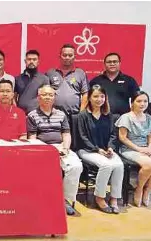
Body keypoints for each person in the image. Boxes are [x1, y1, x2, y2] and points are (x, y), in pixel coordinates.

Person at [27, 84, 83, 215]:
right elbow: (32, 138)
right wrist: (48, 152)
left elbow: (66, 134)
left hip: (61, 146)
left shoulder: (61, 114)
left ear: (54, 98)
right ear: (38, 97)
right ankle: (43, 199)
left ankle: (65, 200)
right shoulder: (32, 115)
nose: (47, 97)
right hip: (42, 149)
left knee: (76, 166)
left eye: (50, 95)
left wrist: (65, 148)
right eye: (44, 95)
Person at [77, 85, 124, 214]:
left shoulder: (108, 115)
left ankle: (114, 199)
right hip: (87, 150)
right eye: (96, 96)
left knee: (119, 165)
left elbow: (113, 135)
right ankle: (99, 197)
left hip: (105, 150)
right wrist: (98, 150)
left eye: (102, 96)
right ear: (90, 98)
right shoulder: (83, 116)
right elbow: (83, 137)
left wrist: (110, 148)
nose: (99, 99)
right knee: (106, 165)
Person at [116, 91, 151, 207]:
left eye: (145, 101)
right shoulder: (126, 117)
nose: (142, 104)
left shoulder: (149, 118)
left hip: (146, 148)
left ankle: (147, 190)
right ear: (132, 102)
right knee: (149, 164)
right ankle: (139, 189)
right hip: (129, 149)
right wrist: (139, 149)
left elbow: (150, 136)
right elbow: (122, 138)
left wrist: (149, 147)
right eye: (139, 101)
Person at [46, 44, 89, 116]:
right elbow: (45, 94)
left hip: (74, 115)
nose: (67, 57)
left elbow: (85, 94)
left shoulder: (80, 73)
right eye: (64, 55)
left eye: (70, 55)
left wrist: (81, 113)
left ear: (74, 57)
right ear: (60, 56)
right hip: (54, 116)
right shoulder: (50, 73)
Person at [14, 50, 50, 114]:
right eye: (29, 59)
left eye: (34, 59)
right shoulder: (18, 79)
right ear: (25, 61)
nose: (31, 61)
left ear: (38, 62)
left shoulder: (44, 79)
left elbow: (47, 98)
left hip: (38, 115)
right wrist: (17, 111)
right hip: (21, 114)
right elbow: (14, 98)